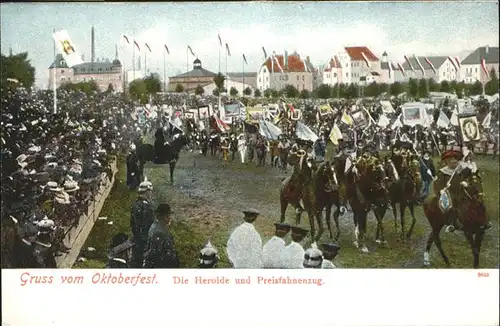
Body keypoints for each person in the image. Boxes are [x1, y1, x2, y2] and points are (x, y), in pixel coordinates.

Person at [144, 203, 180, 268]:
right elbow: (157, 256)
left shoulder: (156, 227)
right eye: (169, 215)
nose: (170, 217)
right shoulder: (159, 232)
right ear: (165, 216)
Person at [130, 178, 155, 268]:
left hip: (139, 239)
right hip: (143, 240)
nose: (151, 193)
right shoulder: (145, 206)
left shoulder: (137, 204)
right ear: (147, 192)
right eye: (150, 191)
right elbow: (144, 224)